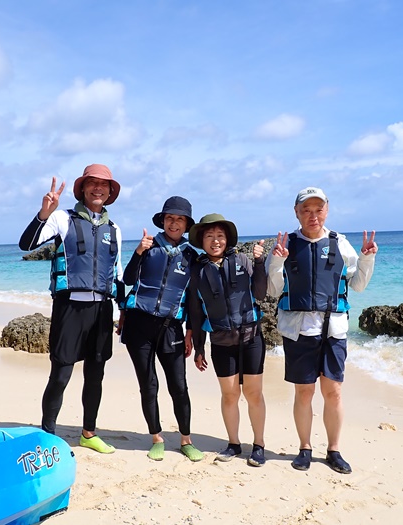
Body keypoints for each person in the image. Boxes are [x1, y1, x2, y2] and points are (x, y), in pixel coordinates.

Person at [266, 187, 377, 474]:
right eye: (306, 210)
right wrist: (276, 261)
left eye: (318, 209)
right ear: (296, 213)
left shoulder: (340, 243)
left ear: (327, 210)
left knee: (334, 392)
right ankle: (304, 447)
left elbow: (358, 285)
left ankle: (334, 450)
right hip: (298, 329)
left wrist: (367, 258)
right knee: (304, 393)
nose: (312, 215)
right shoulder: (286, 243)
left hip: (334, 330)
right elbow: (273, 289)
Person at [18, 164, 124, 454]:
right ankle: (48, 434)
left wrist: (123, 310)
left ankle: (89, 433)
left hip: (101, 311)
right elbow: (26, 244)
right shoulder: (62, 219)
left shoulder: (114, 229)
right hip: (69, 310)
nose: (98, 189)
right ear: (83, 188)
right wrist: (44, 213)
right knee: (61, 374)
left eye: (104, 185)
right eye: (92, 183)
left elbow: (117, 272)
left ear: (110, 192)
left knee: (95, 374)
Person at [121, 196, 204, 462]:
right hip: (139, 325)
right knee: (149, 385)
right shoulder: (149, 247)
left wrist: (191, 331)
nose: (174, 223)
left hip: (171, 328)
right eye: (170, 218)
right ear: (163, 221)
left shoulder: (191, 256)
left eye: (180, 219)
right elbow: (127, 279)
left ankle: (186, 439)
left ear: (187, 224)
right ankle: (156, 437)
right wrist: (138, 253)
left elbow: (193, 299)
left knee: (179, 386)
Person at [187, 214, 268, 467]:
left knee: (254, 394)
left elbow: (260, 292)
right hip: (221, 342)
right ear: (202, 240)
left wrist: (261, 262)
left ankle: (258, 445)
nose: (215, 241)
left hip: (251, 337)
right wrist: (199, 348)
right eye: (209, 236)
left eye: (220, 236)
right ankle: (233, 443)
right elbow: (196, 312)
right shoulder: (198, 272)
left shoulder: (243, 260)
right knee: (229, 394)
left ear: (227, 239)